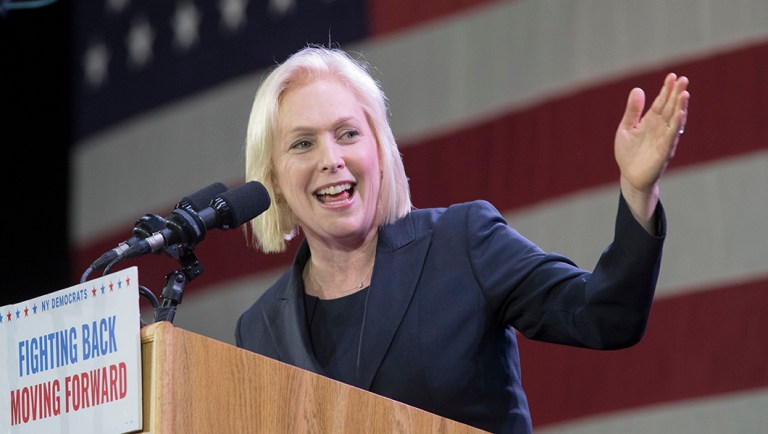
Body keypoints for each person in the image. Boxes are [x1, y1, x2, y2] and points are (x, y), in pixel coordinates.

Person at [235, 45, 689, 434]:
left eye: (347, 134)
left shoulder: (461, 243)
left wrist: (637, 192)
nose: (331, 159)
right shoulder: (258, 332)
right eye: (302, 144)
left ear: (379, 149)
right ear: (272, 179)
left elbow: (606, 316)